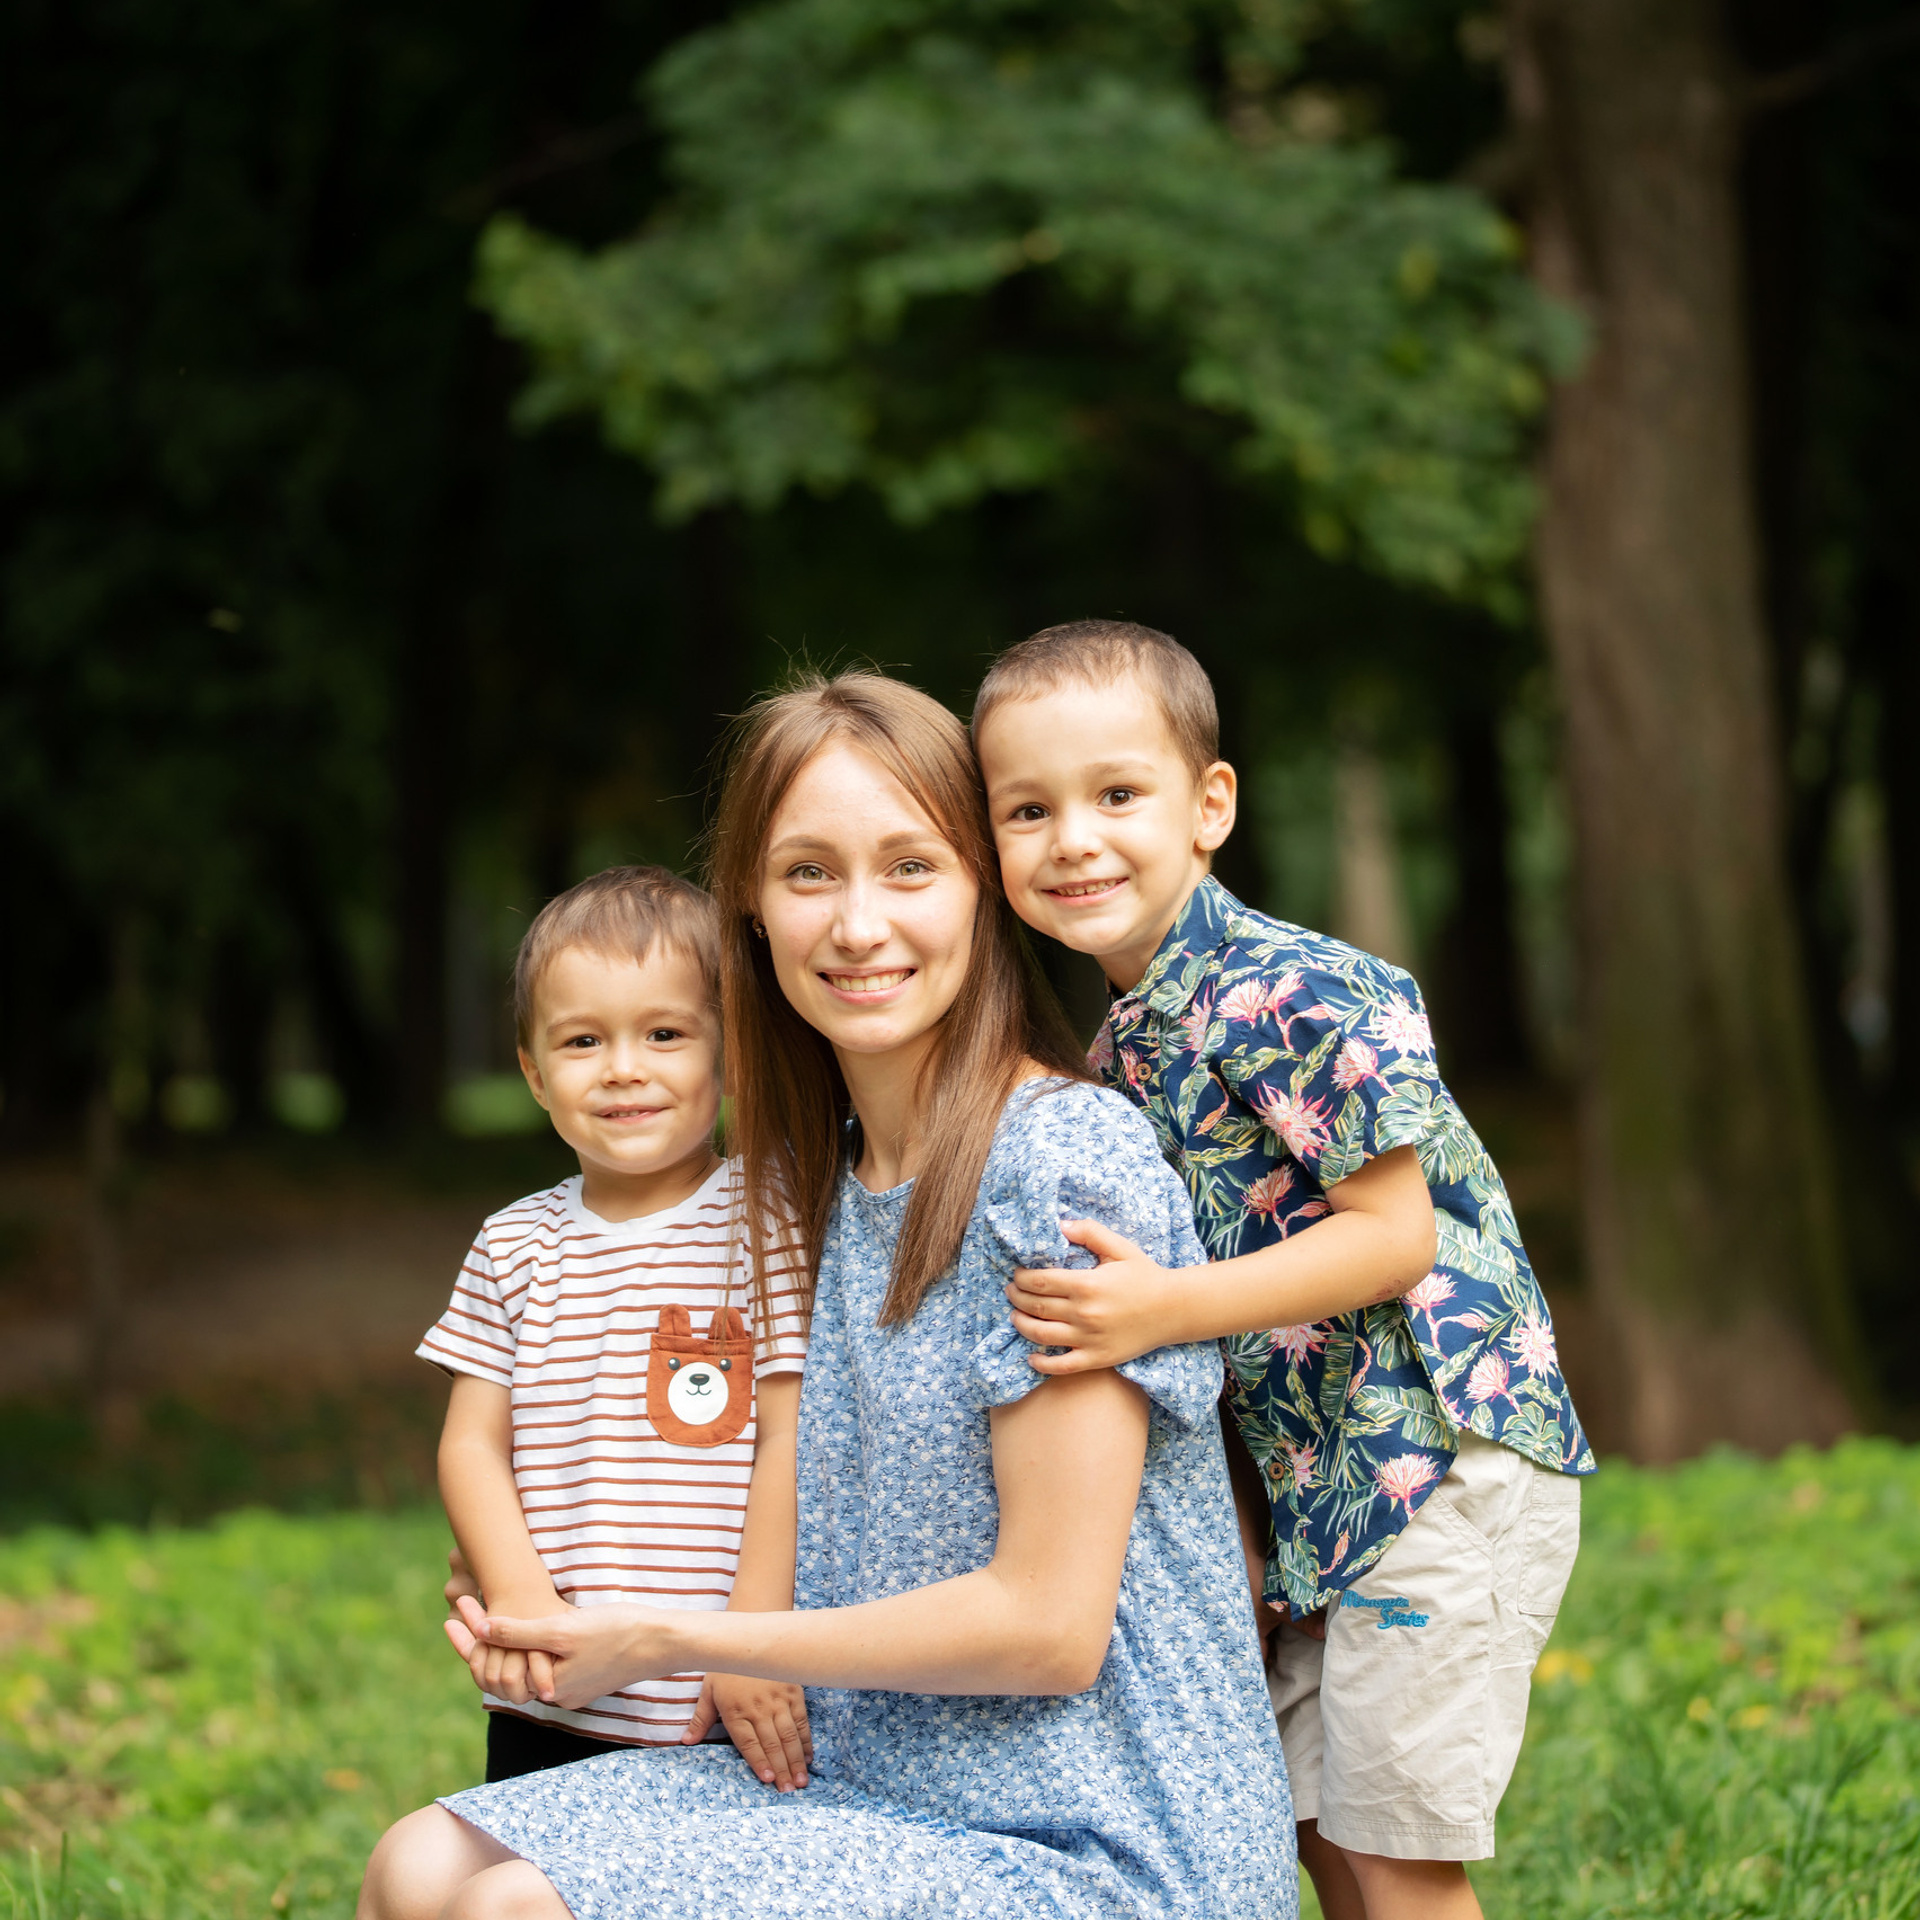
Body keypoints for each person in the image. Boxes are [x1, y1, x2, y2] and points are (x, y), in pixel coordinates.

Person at [357, 672, 1295, 1920]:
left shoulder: (1058, 1163)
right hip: (864, 1779)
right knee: (417, 1865)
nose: (858, 924)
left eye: (910, 868)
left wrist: (673, 1639)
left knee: (510, 1910)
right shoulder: (817, 1190)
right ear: (750, 907)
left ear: (983, 885)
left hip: (1094, 1838)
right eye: (809, 873)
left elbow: (1048, 1629)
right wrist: (539, 1576)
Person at [971, 621, 1593, 1920]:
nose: (1073, 839)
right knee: (1319, 1831)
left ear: (1210, 807)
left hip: (1435, 1458)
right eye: (1029, 810)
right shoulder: (1122, 1051)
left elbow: (1394, 1237)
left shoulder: (1294, 988)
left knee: (1398, 1852)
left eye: (1117, 795)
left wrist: (1160, 1310)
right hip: (1322, 1489)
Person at [416, 866, 812, 1787]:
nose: (623, 1067)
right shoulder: (514, 1244)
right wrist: (519, 1597)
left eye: (665, 1034)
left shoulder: (768, 1220)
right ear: (533, 1072)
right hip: (551, 1689)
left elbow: (789, 1436)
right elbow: (471, 1445)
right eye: (583, 1040)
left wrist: (752, 1641)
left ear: (730, 1055)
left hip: (719, 1700)